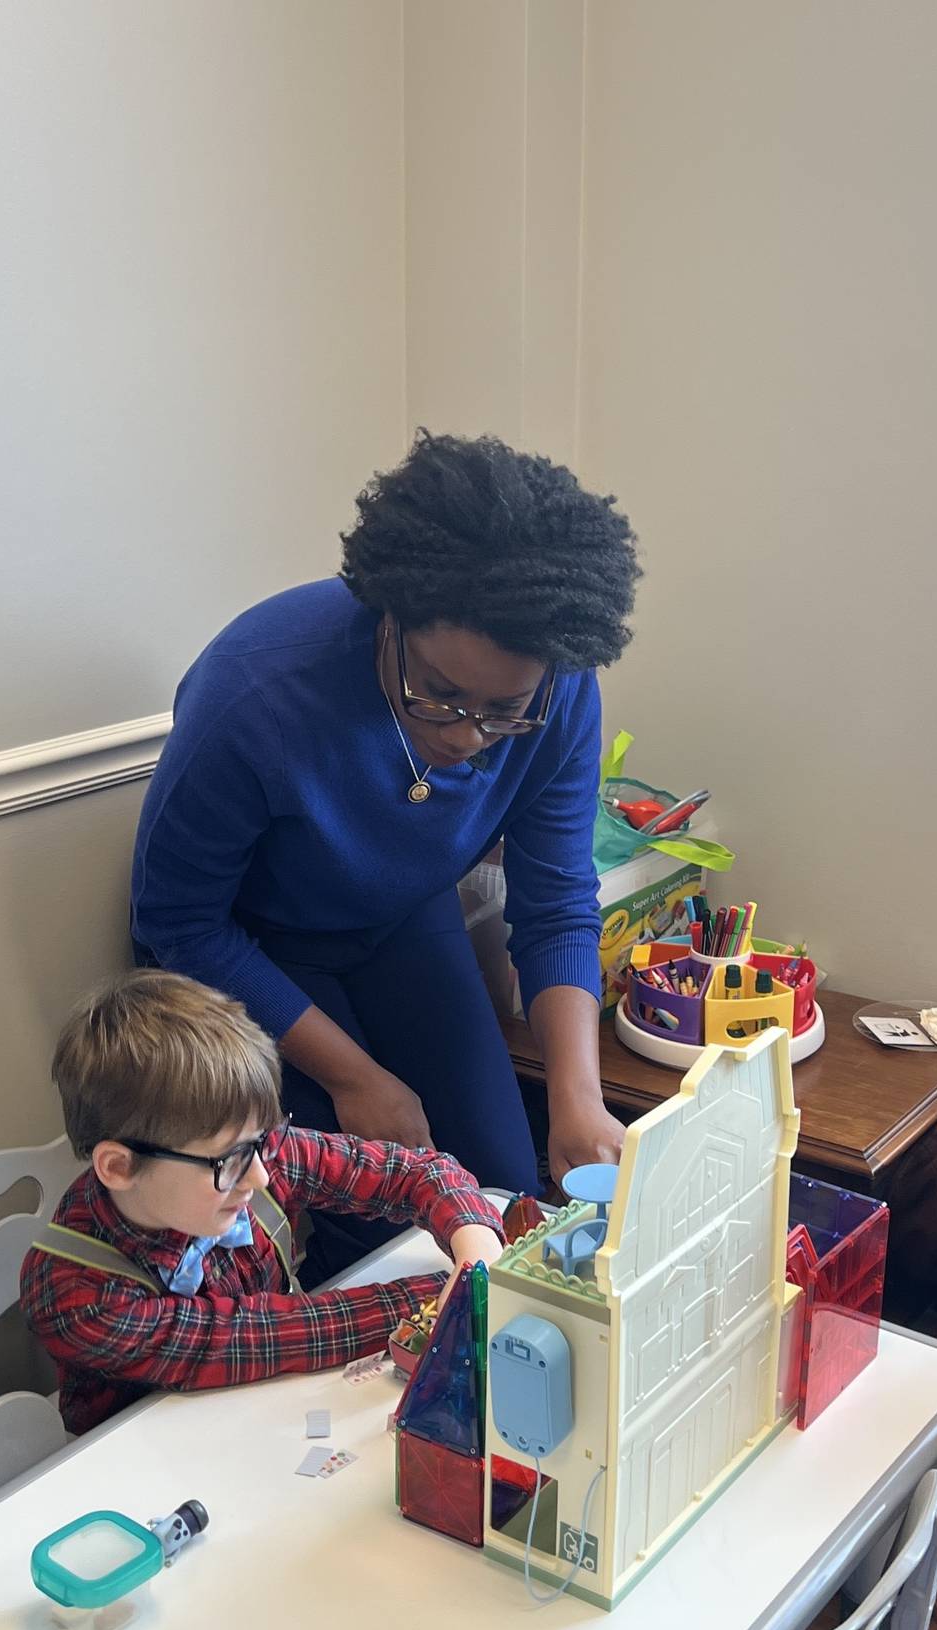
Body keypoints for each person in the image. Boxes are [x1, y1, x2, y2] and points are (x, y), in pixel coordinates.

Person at [131, 431, 641, 1282]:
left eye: (502, 710)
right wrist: (357, 1078)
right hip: (245, 960)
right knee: (376, 1240)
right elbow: (178, 922)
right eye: (437, 694)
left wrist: (578, 1101)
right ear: (389, 618)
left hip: (404, 922)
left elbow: (556, 903)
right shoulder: (254, 688)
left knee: (503, 1198)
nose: (466, 737)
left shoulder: (562, 684)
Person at [20, 971, 504, 1434]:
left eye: (260, 1141)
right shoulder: (74, 1291)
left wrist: (477, 1250)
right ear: (119, 1167)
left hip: (267, 1415)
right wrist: (455, 1298)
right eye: (229, 1160)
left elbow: (417, 1171)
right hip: (152, 1468)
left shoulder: (253, 1154)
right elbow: (282, 1335)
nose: (260, 1174)